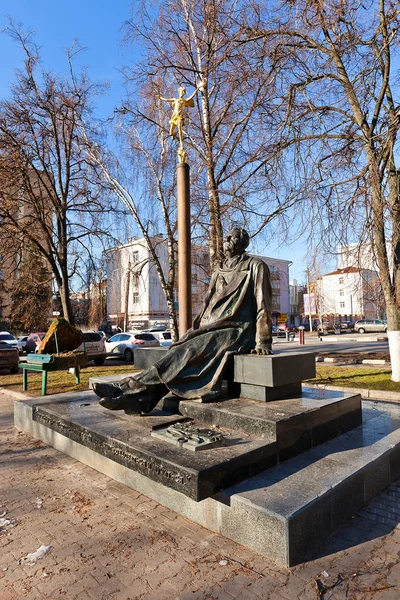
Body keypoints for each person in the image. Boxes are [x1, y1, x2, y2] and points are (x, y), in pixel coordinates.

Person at [93, 227, 272, 414]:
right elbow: (207, 302)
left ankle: (126, 388)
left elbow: (263, 304)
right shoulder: (219, 269)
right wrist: (194, 329)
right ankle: (137, 398)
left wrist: (263, 341)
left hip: (236, 330)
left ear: (242, 243)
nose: (226, 239)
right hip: (210, 326)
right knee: (178, 350)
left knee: (187, 352)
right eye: (226, 236)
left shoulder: (255, 266)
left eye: (232, 237)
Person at [160, 83, 203, 148]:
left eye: (184, 92)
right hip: (174, 117)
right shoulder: (175, 99)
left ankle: (181, 143)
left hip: (180, 117)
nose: (183, 93)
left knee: (179, 128)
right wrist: (160, 98)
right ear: (180, 92)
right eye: (182, 92)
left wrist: (197, 88)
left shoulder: (185, 100)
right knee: (170, 133)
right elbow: (167, 100)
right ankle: (173, 135)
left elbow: (192, 96)